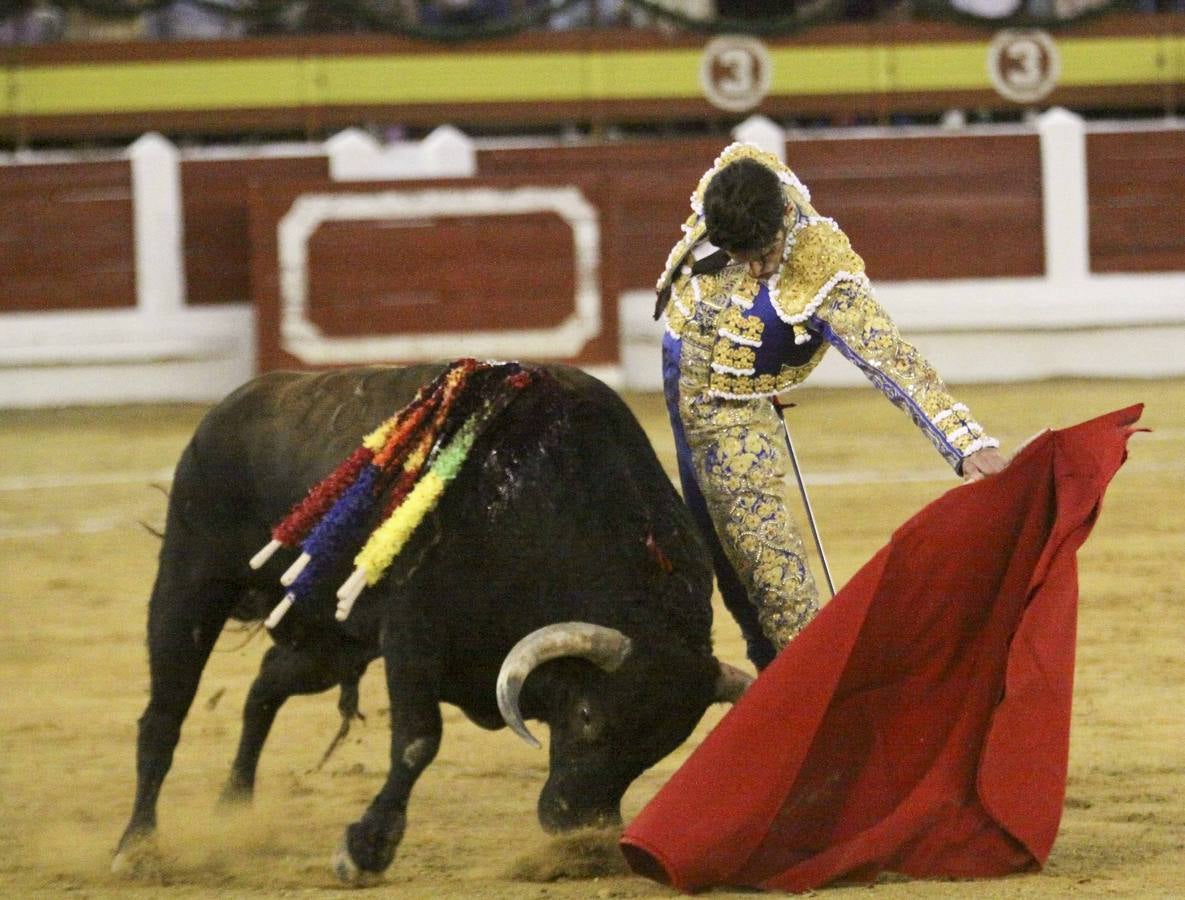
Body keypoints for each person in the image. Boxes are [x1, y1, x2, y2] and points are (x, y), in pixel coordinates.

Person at [654, 142, 1006, 670]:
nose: (753, 270)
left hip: (733, 419)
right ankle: (773, 680)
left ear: (782, 224)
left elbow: (890, 359)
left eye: (763, 256)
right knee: (717, 554)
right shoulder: (736, 181)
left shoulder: (822, 270)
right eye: (741, 258)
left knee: (779, 590)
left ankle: (795, 694)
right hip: (679, 372)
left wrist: (965, 441)